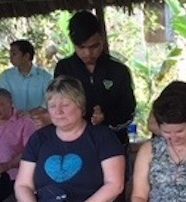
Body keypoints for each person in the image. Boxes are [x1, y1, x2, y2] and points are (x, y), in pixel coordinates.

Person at [54, 10, 136, 146]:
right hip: (75, 144)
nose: (88, 53)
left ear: (102, 39)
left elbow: (129, 111)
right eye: (81, 47)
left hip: (112, 143)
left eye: (94, 46)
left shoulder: (118, 70)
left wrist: (106, 117)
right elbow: (58, 105)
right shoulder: (64, 69)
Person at [0, 39, 52, 126]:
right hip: (13, 123)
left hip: (39, 122)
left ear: (26, 56)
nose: (10, 57)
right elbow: (0, 99)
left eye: (14, 54)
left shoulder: (45, 77)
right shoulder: (6, 76)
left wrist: (32, 113)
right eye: (10, 54)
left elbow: (50, 101)